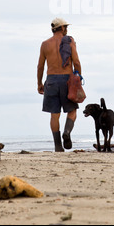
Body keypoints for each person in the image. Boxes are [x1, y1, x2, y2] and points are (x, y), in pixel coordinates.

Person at [37, 18, 82, 152]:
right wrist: (78, 79)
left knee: (54, 115)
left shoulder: (45, 44)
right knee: (72, 111)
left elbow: (40, 66)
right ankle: (67, 132)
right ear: (62, 28)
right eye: (66, 27)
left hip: (51, 80)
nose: (67, 29)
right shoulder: (69, 41)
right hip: (67, 79)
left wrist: (39, 83)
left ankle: (58, 146)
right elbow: (77, 62)